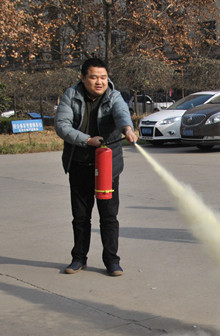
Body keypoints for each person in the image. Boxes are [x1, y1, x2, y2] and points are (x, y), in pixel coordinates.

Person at [55, 57, 139, 276]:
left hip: (107, 166)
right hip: (80, 164)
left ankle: (112, 261)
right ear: (83, 78)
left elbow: (121, 113)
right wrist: (86, 140)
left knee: (109, 216)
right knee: (81, 216)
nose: (99, 82)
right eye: (93, 77)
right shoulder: (71, 96)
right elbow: (62, 126)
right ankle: (78, 258)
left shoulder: (114, 96)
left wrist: (128, 129)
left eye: (103, 77)